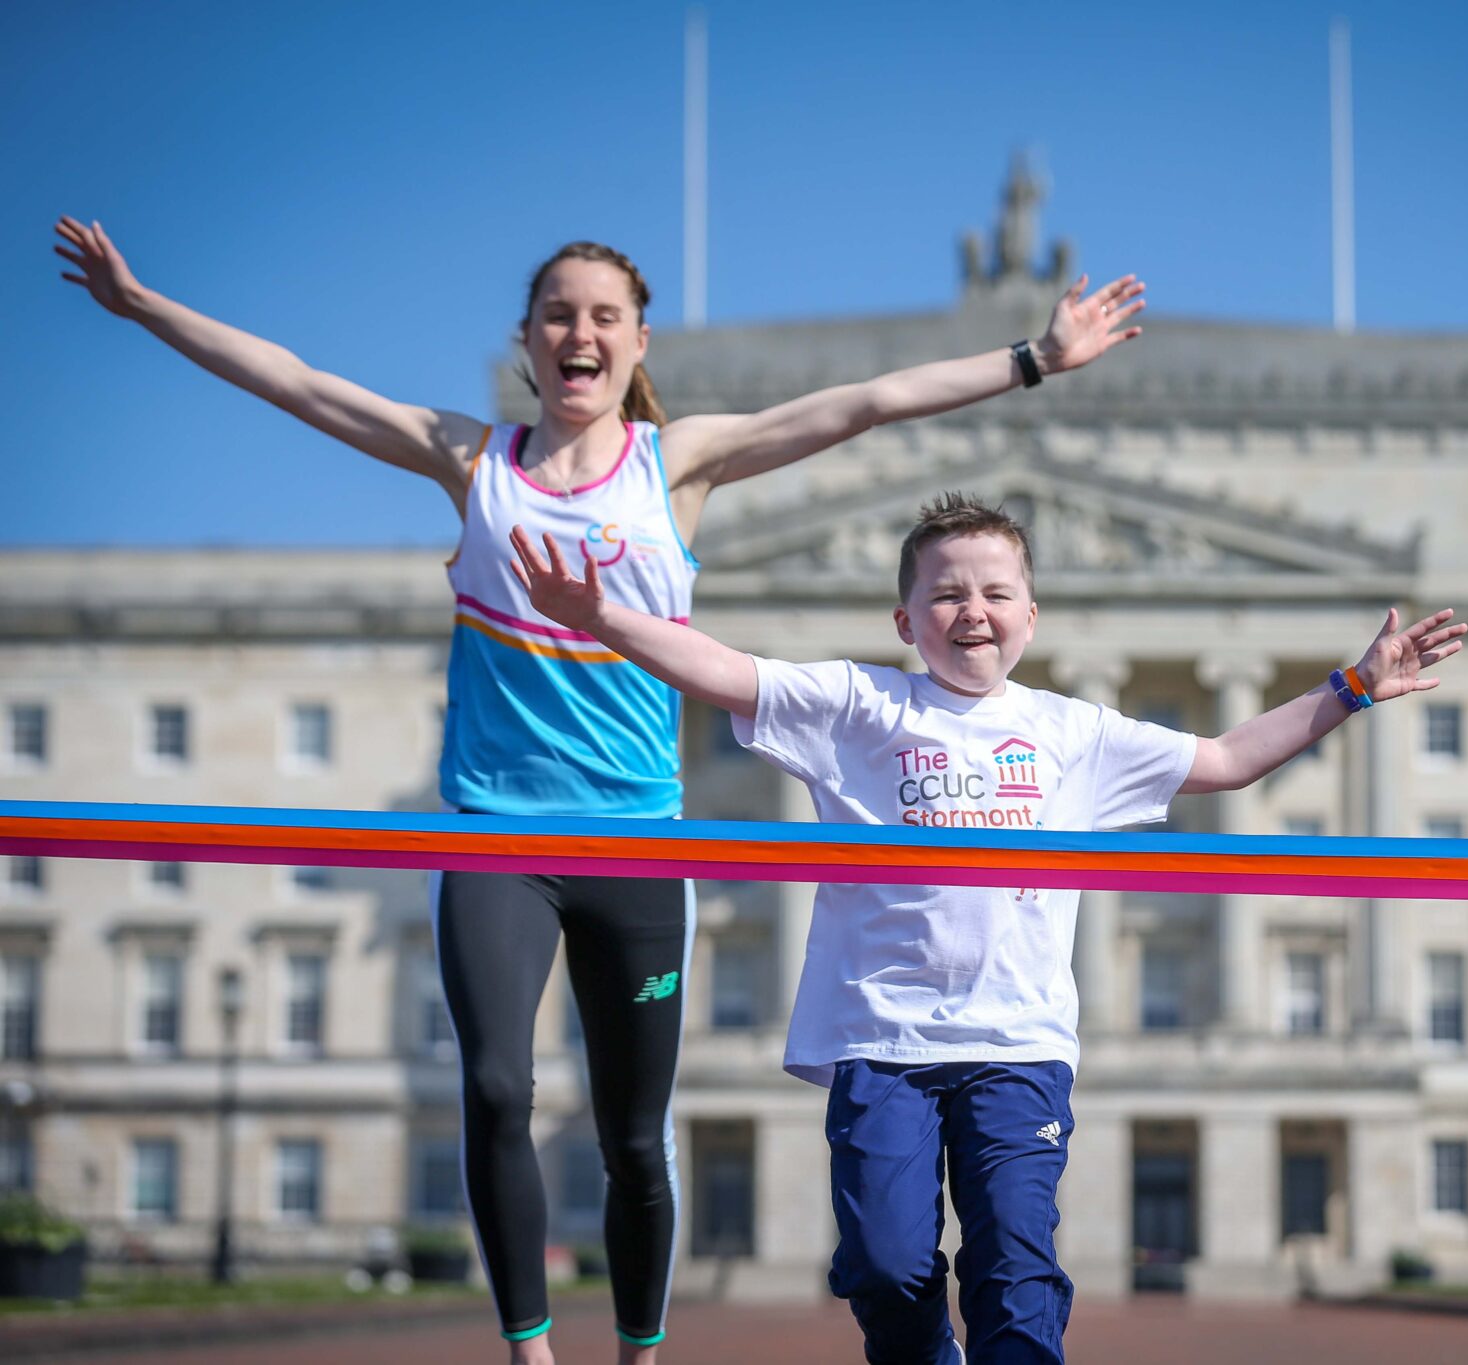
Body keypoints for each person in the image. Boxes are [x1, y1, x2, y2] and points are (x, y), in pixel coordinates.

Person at [52, 217, 1147, 1365]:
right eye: (557, 314)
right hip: (493, 829)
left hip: (633, 830)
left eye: (603, 316)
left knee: (633, 1135)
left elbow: (860, 403)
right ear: (527, 342)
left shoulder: (674, 466)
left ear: (635, 345)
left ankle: (636, 1346)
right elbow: (303, 385)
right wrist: (144, 307)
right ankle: (530, 1349)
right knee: (492, 1082)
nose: (579, 333)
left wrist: (1032, 359)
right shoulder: (471, 458)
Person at [510, 494, 1467, 1364]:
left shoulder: (1074, 733)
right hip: (880, 1039)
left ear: (1030, 616)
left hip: (1017, 1045)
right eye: (947, 593)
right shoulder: (860, 706)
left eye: (996, 591)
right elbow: (723, 671)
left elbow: (1224, 758)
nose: (973, 609)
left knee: (1015, 1270)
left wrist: (1352, 686)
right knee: (887, 1267)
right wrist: (600, 616)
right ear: (906, 620)